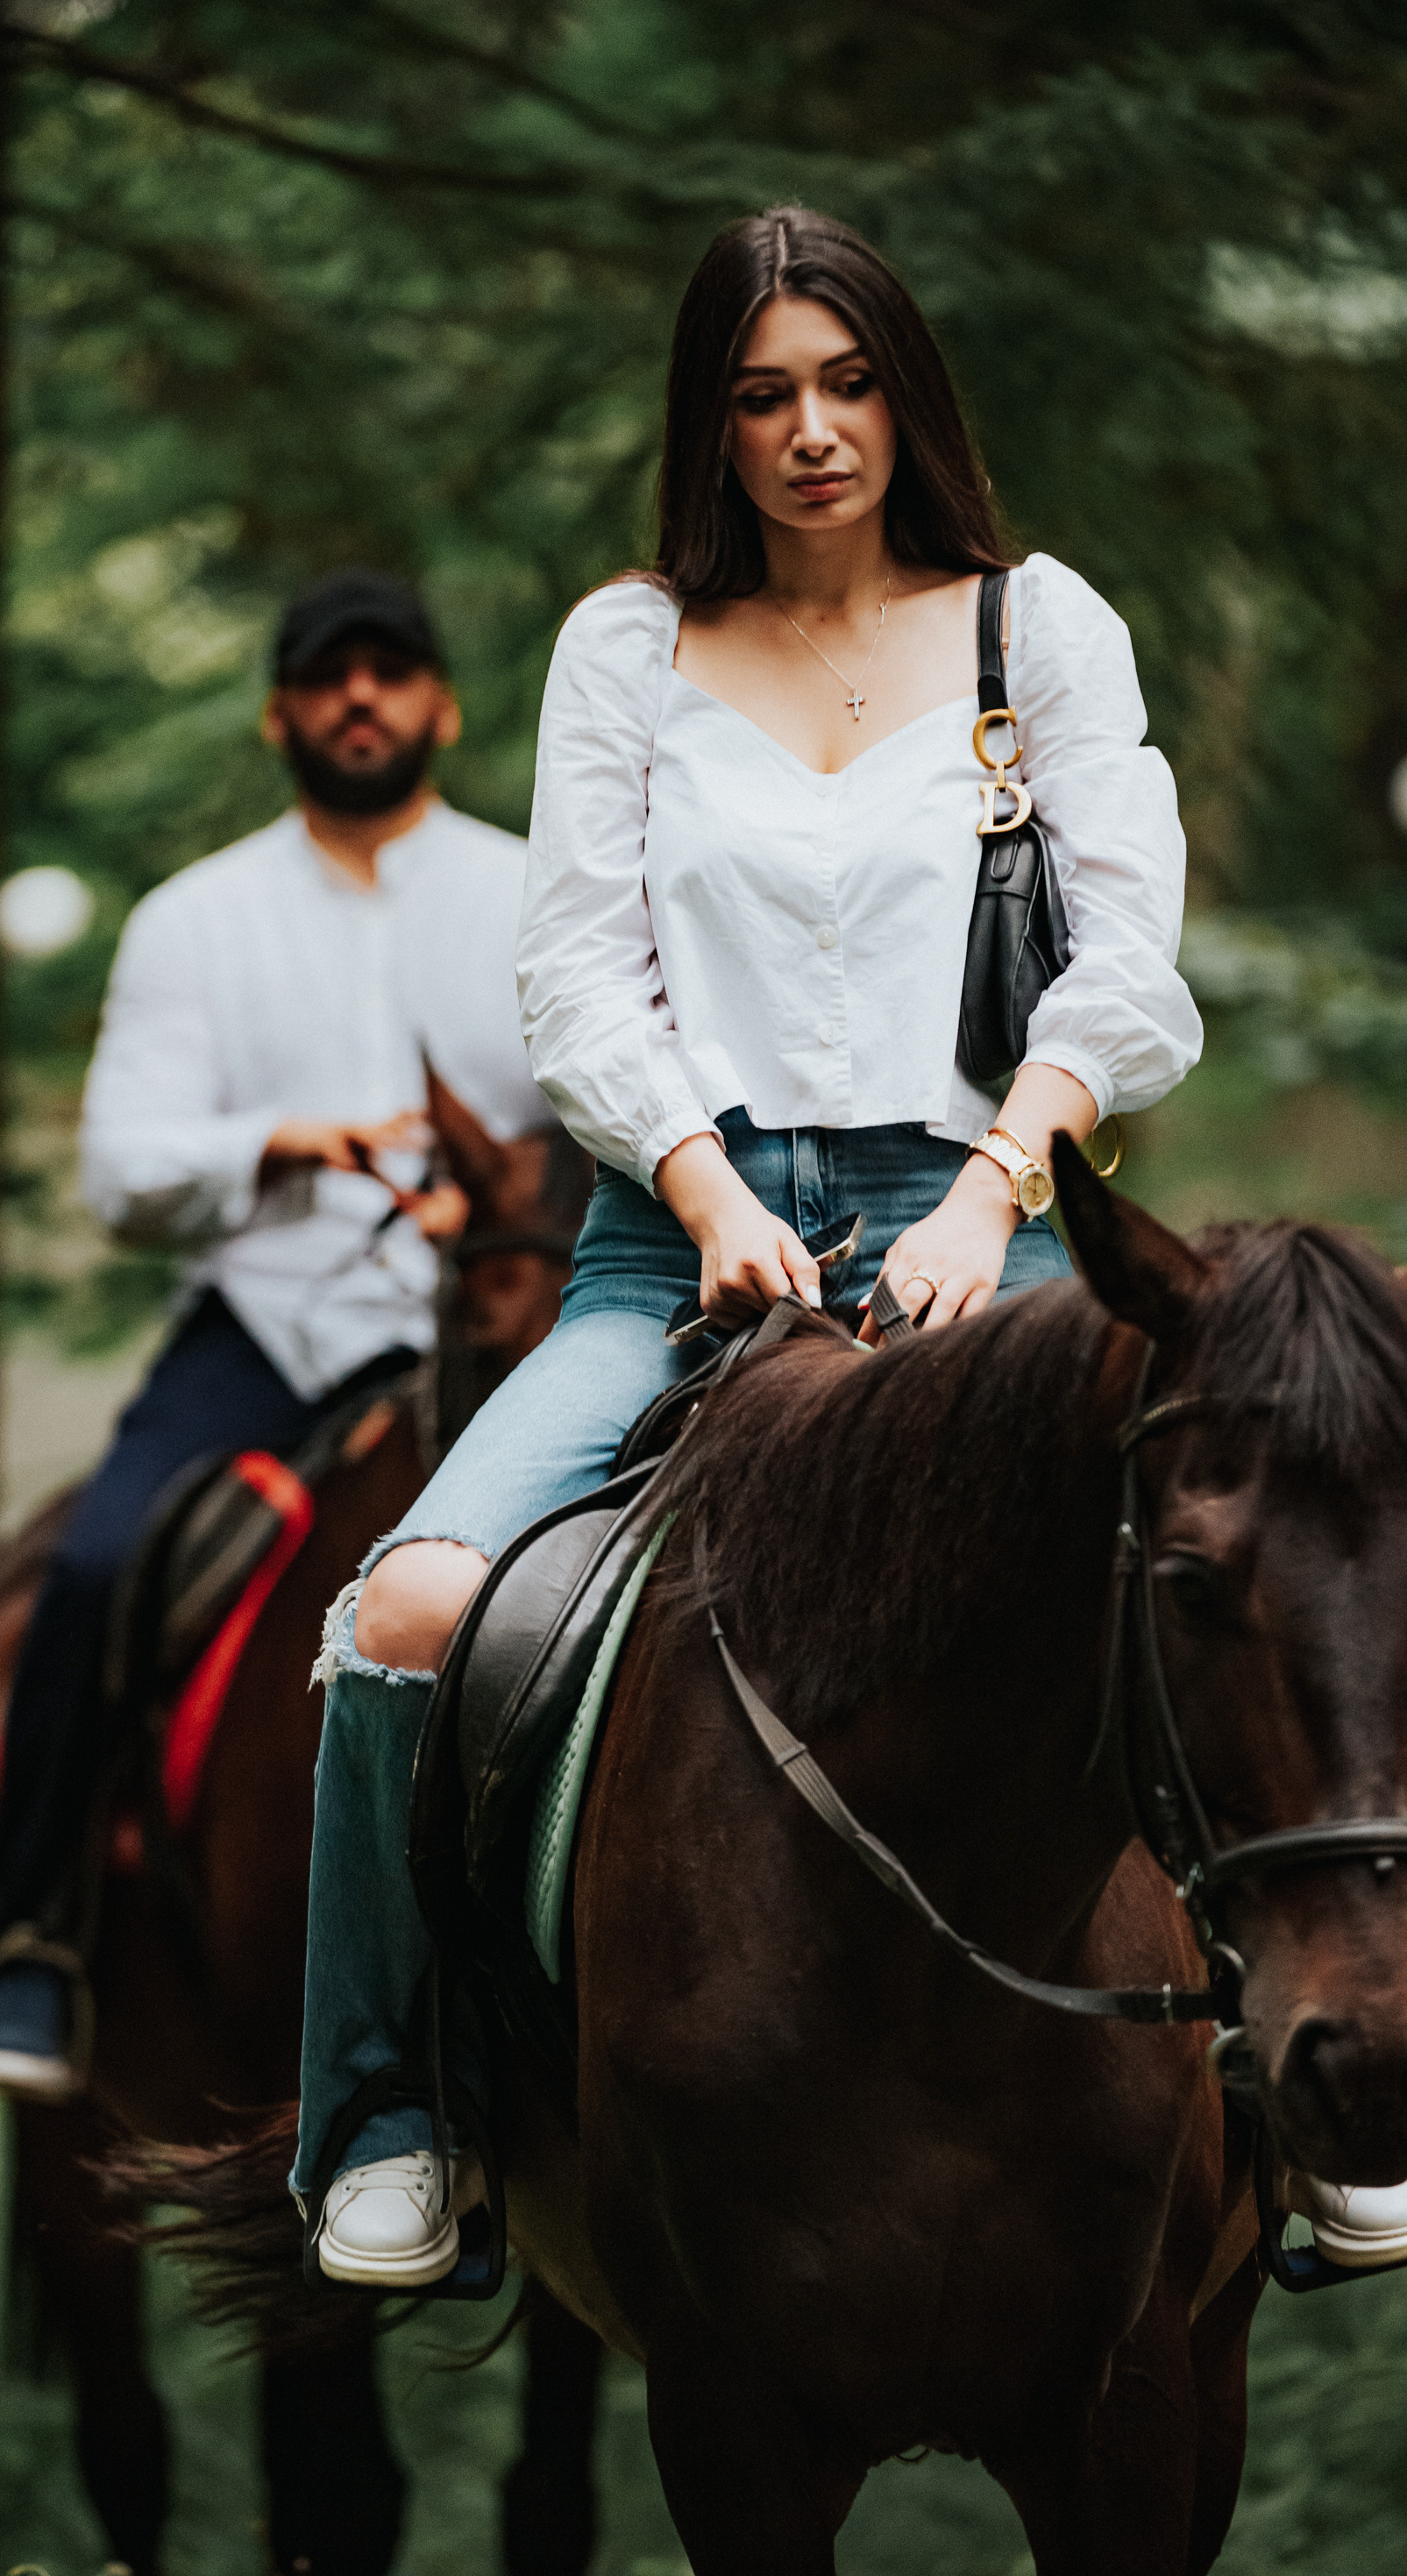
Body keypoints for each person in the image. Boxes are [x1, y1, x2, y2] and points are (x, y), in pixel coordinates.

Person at [294, 207, 1205, 2288]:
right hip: (672, 1242)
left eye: (851, 380)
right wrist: (702, 1190)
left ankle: (1313, 2101)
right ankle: (389, 2118)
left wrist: (999, 1192)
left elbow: (1132, 964)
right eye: (766, 392)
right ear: (712, 422)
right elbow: (573, 977)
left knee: (1230, 1586)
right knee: (402, 1628)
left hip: (991, 1227)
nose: (815, 432)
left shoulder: (1033, 630)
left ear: (911, 390)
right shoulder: (629, 645)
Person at [0, 568, 549, 2097]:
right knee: (92, 1564)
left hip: (503, 1334)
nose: (363, 700)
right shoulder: (193, 918)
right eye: (330, 678)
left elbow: (601, 1115)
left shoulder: (539, 894)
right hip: (270, 1333)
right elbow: (121, 1172)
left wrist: (490, 1212)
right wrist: (283, 1143)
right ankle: (37, 1945)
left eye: (391, 673)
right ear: (281, 714)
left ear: (442, 707)